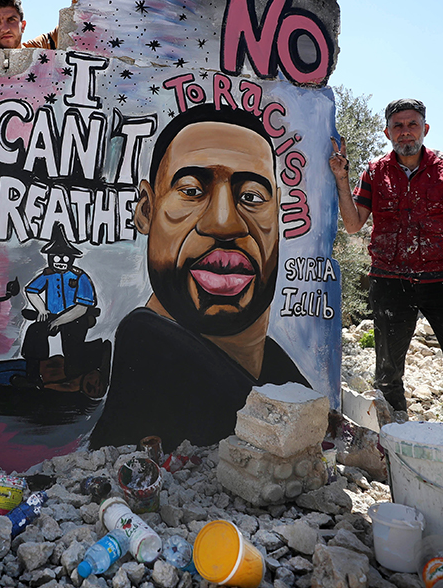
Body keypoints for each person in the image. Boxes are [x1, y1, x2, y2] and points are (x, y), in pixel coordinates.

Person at [89, 104, 310, 448]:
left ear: (277, 216)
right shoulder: (152, 351)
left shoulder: (277, 375)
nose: (224, 223)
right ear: (146, 211)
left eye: (252, 197)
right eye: (191, 191)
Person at [331, 98, 443, 431]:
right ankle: (395, 439)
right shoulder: (375, 171)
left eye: (411, 125)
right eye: (398, 126)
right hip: (390, 281)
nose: (405, 132)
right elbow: (353, 224)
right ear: (387, 132)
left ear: (424, 128)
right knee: (388, 371)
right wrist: (341, 178)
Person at [21, 227, 100, 382]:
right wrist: (41, 309)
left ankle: (74, 375)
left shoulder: (80, 277)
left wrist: (59, 321)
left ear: (71, 259)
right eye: (57, 258)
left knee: (72, 341)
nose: (61, 262)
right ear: (51, 258)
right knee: (35, 331)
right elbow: (31, 290)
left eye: (65, 258)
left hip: (75, 316)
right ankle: (33, 376)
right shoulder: (48, 274)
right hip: (51, 314)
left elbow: (82, 307)